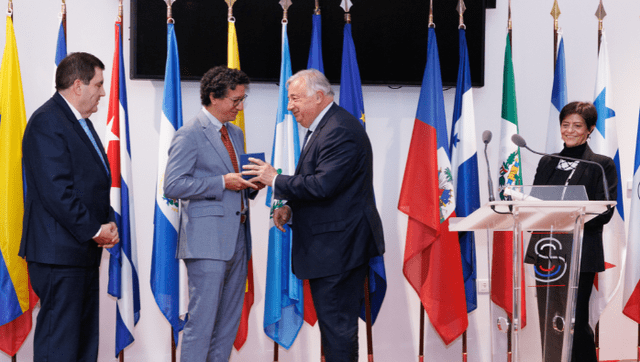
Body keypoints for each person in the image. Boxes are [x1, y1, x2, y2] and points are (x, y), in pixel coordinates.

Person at [244, 69, 385, 362]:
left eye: (295, 98)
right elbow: (333, 190)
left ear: (318, 97)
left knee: (338, 330)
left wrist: (275, 179)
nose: (289, 106)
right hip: (333, 247)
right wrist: (291, 208)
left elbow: (323, 185)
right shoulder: (325, 127)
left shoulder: (339, 130)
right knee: (334, 329)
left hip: (340, 249)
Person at [20, 52, 119, 361]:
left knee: (83, 343)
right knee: (59, 345)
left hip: (79, 252)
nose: (103, 92)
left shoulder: (80, 123)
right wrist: (94, 228)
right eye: (99, 84)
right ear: (78, 85)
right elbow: (57, 191)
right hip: (58, 255)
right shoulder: (47, 122)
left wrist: (108, 222)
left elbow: (92, 185)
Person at [163, 66, 263, 361]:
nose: (240, 107)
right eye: (235, 100)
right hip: (205, 243)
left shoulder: (235, 133)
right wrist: (222, 182)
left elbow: (237, 184)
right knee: (202, 323)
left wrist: (251, 185)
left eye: (242, 99)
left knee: (227, 324)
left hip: (237, 239)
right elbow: (173, 184)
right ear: (213, 97)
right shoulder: (189, 134)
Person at [525, 101, 617, 362]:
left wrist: (569, 218)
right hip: (548, 251)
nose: (570, 130)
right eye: (565, 125)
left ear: (589, 129)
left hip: (580, 253)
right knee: (550, 319)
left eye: (577, 125)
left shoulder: (601, 165)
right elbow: (535, 204)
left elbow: (606, 211)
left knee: (574, 320)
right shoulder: (547, 162)